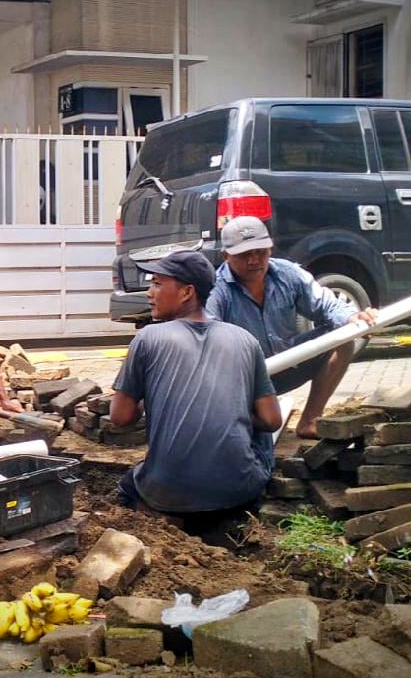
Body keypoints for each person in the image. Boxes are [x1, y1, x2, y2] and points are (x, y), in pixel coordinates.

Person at [110, 250, 282, 531]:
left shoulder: (148, 338)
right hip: (238, 492)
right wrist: (233, 410)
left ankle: (158, 518)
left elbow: (120, 417)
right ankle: (242, 510)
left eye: (157, 284)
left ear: (187, 292)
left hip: (166, 494)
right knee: (259, 434)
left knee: (128, 488)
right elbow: (272, 420)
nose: (150, 293)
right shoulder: (245, 339)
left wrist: (153, 398)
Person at [205, 216, 377, 439]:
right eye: (244, 254)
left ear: (270, 248)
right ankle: (243, 422)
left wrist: (353, 317)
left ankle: (310, 420)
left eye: (260, 252)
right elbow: (207, 343)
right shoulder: (216, 291)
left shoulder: (288, 274)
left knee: (342, 339)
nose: (254, 260)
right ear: (226, 256)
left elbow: (327, 305)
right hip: (246, 382)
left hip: (288, 363)